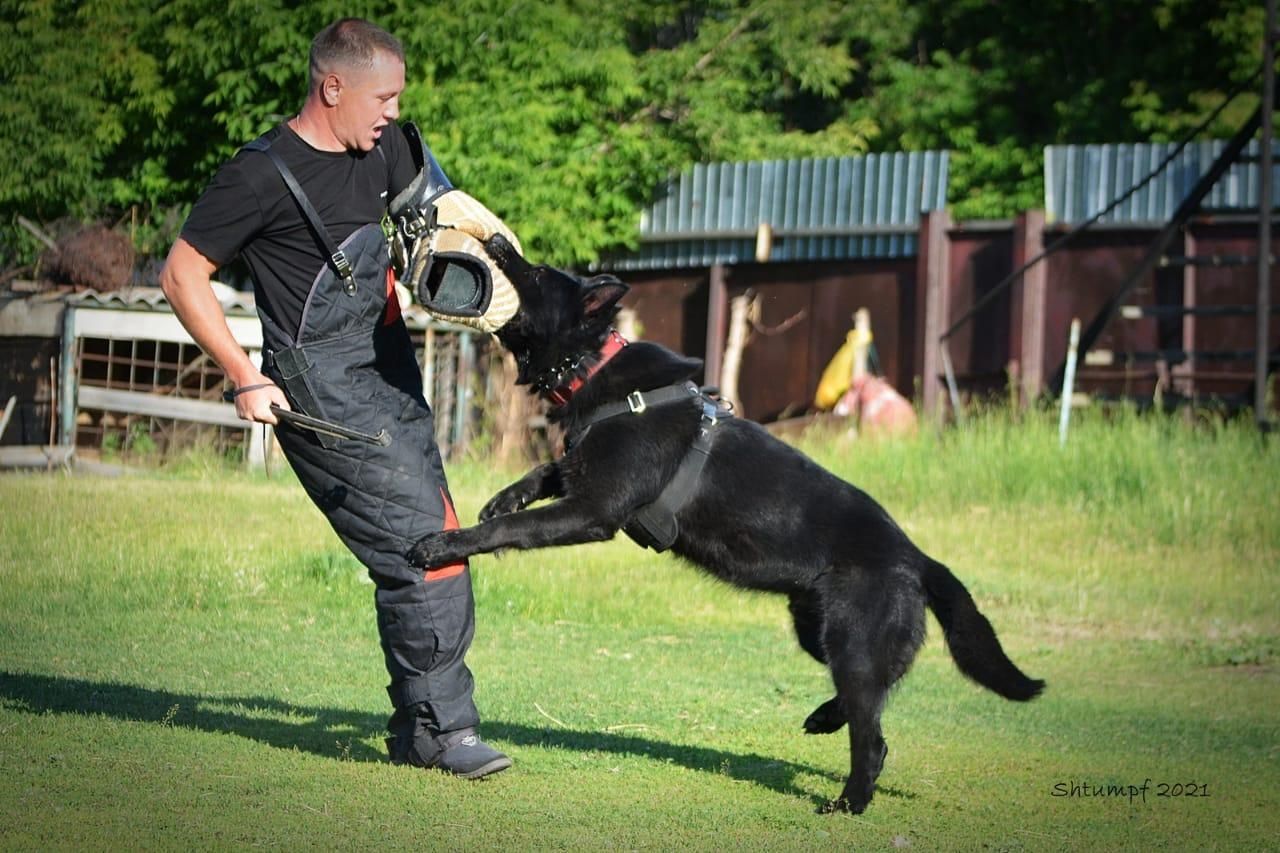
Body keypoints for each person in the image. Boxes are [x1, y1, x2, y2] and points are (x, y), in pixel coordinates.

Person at [160, 17, 510, 779]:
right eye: (382, 97)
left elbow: (436, 217)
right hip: (321, 392)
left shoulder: (384, 148)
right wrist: (243, 372)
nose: (391, 112)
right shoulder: (257, 175)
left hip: (390, 373)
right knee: (427, 548)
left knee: (436, 533)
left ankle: (423, 724)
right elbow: (182, 274)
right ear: (333, 87)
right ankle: (440, 732)